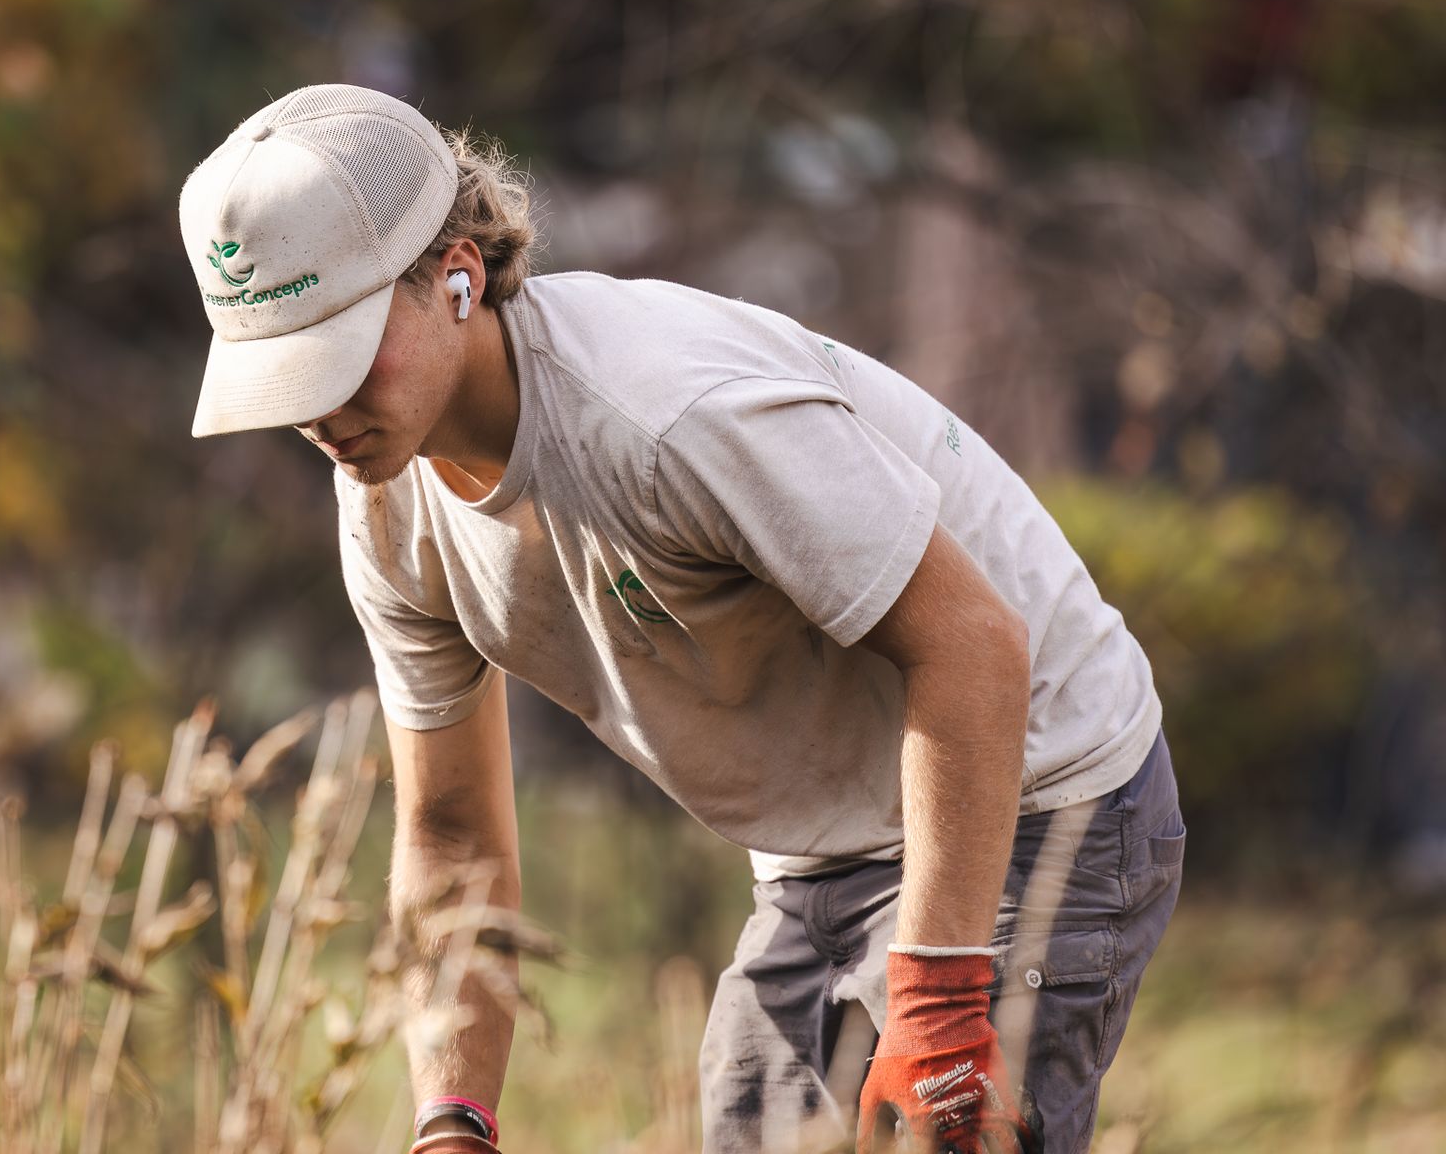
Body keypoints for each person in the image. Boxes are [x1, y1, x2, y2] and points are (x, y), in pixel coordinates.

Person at [178, 83, 1185, 1154]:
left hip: (1036, 787)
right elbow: (453, 833)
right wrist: (451, 1119)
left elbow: (976, 647)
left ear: (457, 277)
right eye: (281, 373)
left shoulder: (662, 415)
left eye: (338, 354)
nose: (317, 413)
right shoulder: (386, 502)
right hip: (819, 853)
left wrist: (937, 1005)